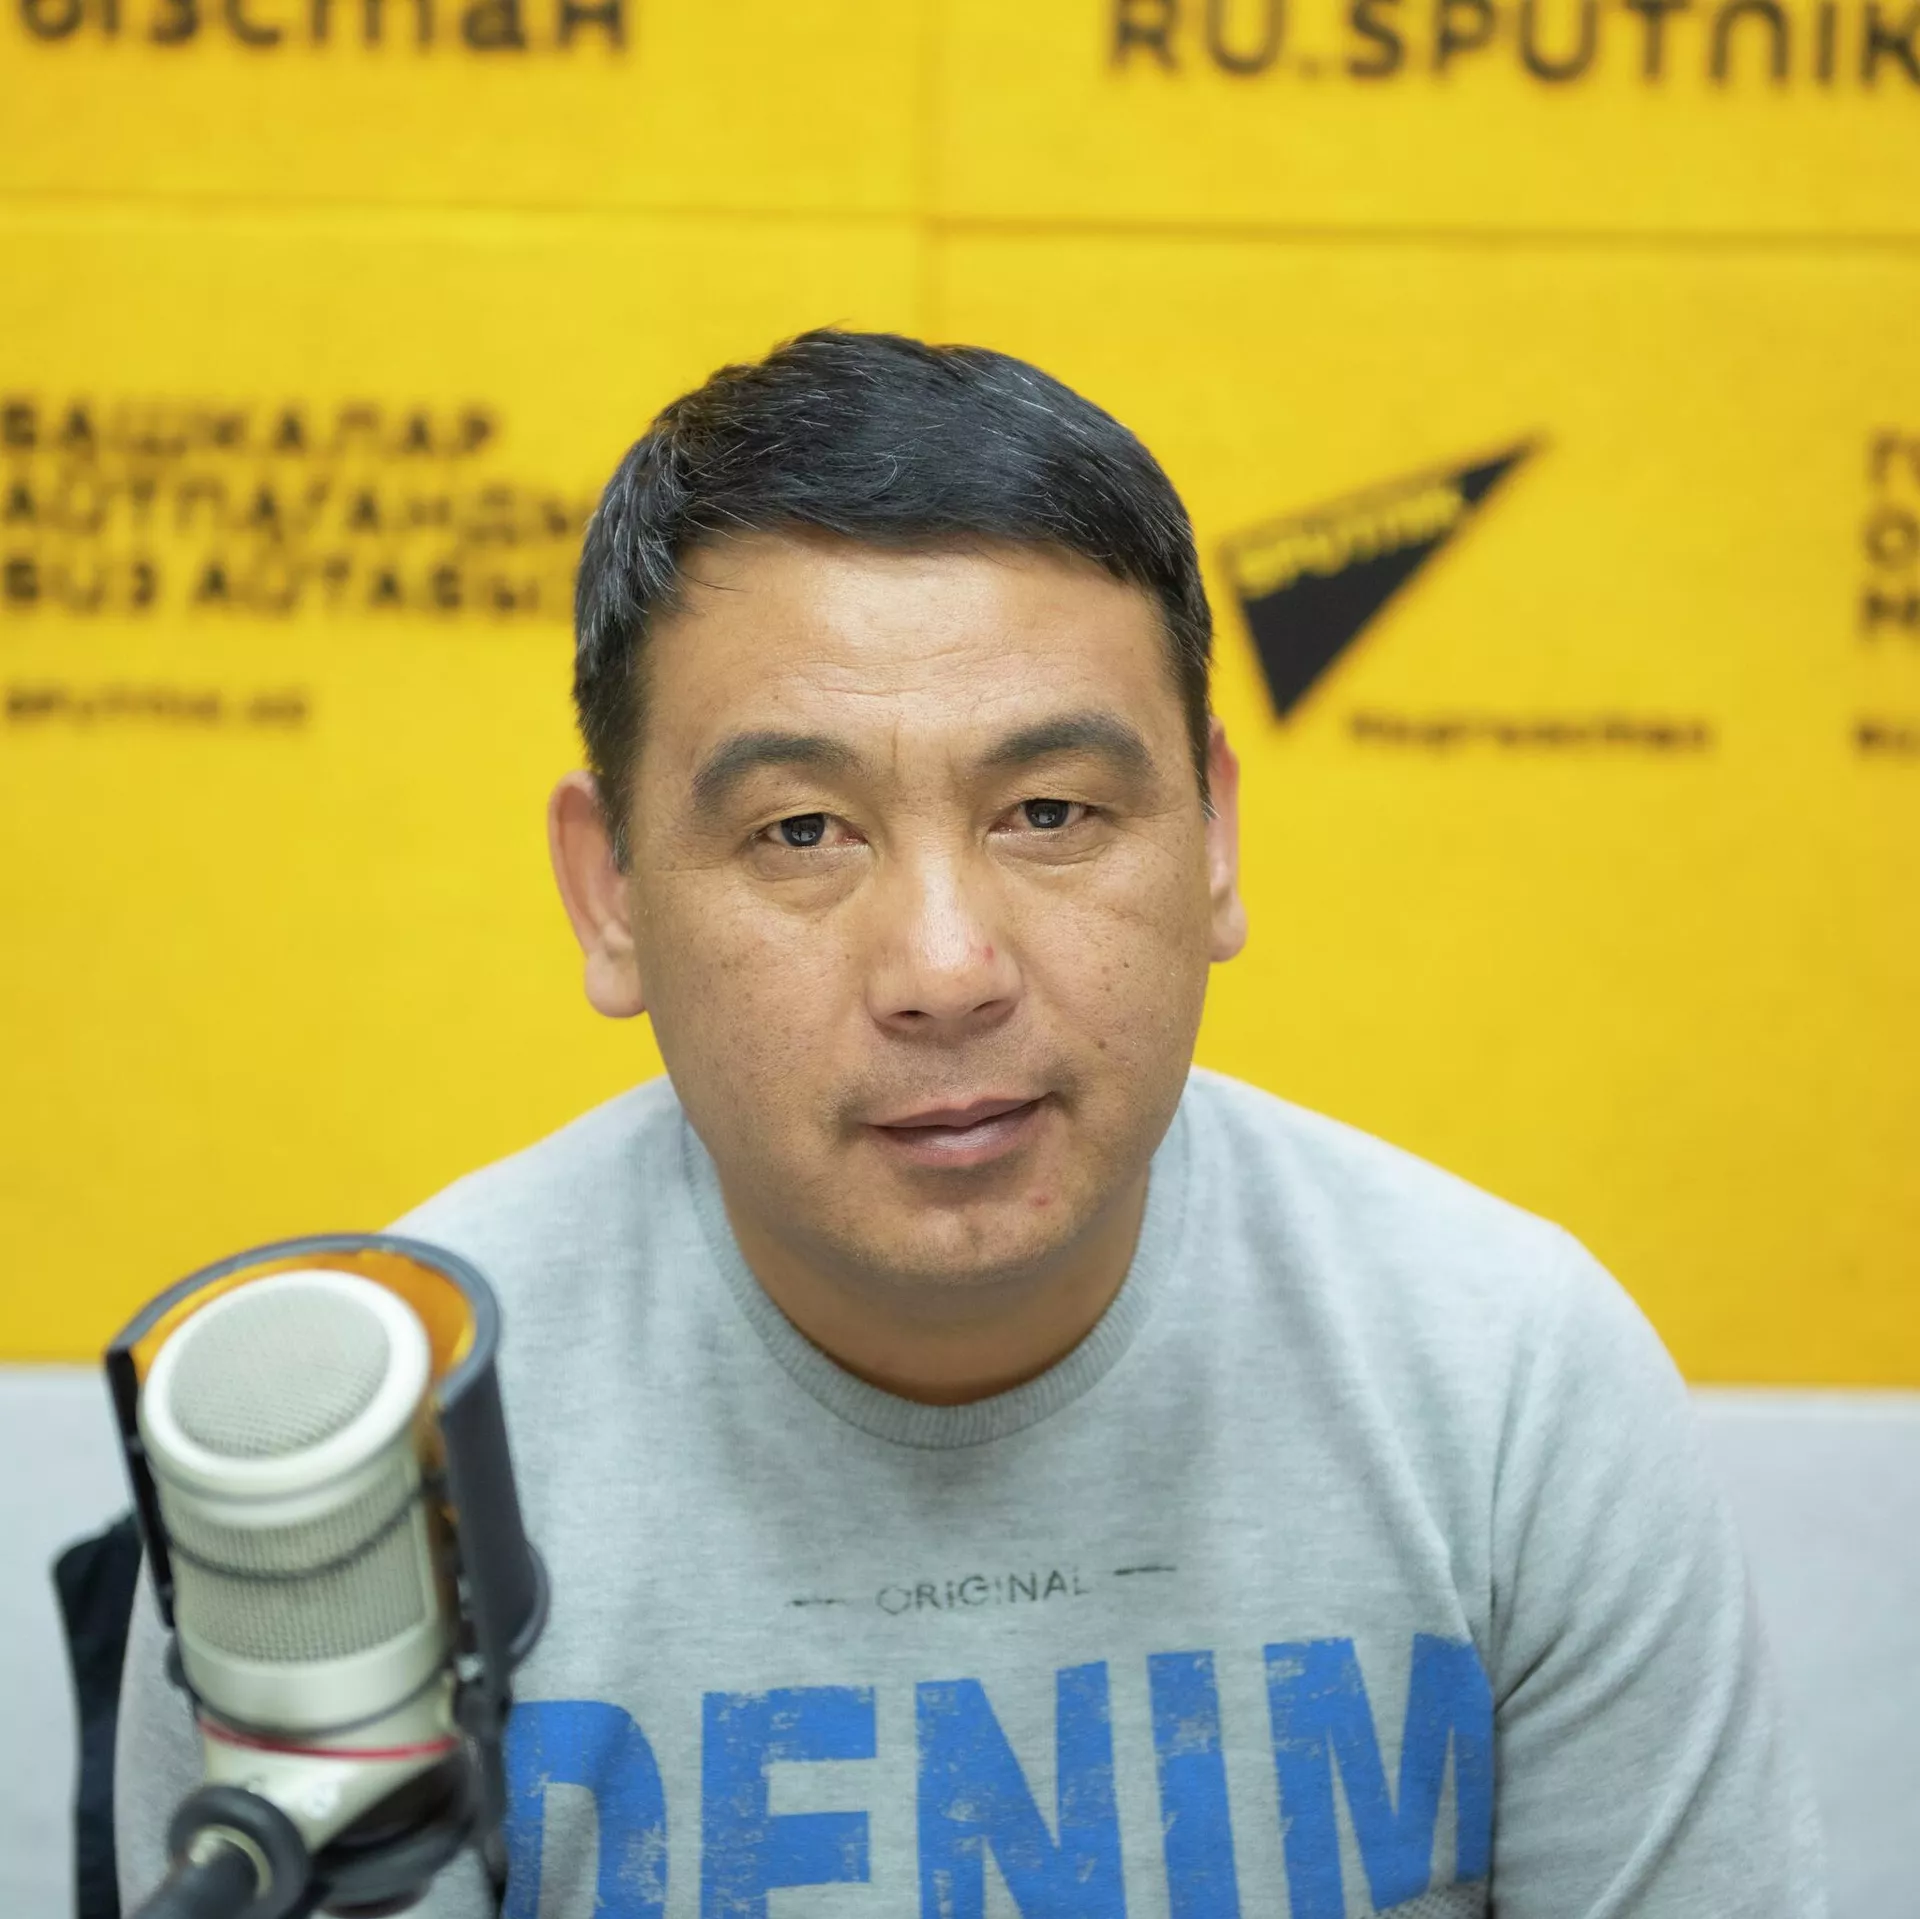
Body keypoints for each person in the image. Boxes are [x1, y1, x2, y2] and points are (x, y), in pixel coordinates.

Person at [117, 330, 1825, 1918]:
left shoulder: (1508, 1382)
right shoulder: (350, 1455)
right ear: (610, 892)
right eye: (801, 832)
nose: (946, 968)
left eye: (1051, 810)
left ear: (1215, 838)